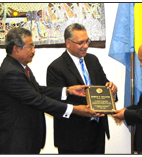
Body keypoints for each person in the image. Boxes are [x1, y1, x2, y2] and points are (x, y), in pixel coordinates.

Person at [0, 27, 100, 154]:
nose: (33, 51)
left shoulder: (20, 67)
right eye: (30, 47)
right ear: (16, 49)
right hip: (14, 142)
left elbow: (37, 90)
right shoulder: (11, 72)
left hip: (25, 140)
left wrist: (68, 91)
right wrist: (74, 109)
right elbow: (38, 99)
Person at [46, 23, 118, 154]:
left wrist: (112, 89)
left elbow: (103, 85)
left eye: (87, 41)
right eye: (80, 43)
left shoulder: (93, 60)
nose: (85, 46)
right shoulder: (56, 68)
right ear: (68, 43)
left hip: (97, 131)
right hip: (73, 136)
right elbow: (55, 103)